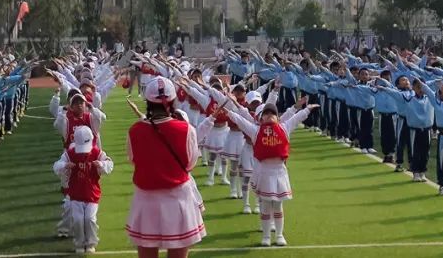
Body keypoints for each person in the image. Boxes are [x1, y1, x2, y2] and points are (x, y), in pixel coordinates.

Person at [219, 93, 316, 247]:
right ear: (261, 118)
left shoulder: (284, 128)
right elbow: (240, 120)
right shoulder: (255, 130)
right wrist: (228, 111)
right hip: (264, 171)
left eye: (273, 113)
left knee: (278, 205)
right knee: (265, 205)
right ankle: (265, 236)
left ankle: (278, 235)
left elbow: (295, 118)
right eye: (266, 113)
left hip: (279, 171)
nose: (269, 115)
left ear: (278, 117)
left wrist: (307, 109)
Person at [125, 76, 205, 258]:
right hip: (177, 198)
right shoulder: (186, 130)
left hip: (146, 198)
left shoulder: (135, 130)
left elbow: (133, 160)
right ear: (172, 100)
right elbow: (190, 163)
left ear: (148, 101)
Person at [53, 124, 114, 255]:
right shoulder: (70, 153)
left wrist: (102, 165)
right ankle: (79, 243)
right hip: (75, 193)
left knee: (90, 219)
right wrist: (65, 165)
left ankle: (91, 243)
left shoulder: (97, 152)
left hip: (92, 193)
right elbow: (56, 166)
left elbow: (110, 164)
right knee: (78, 219)